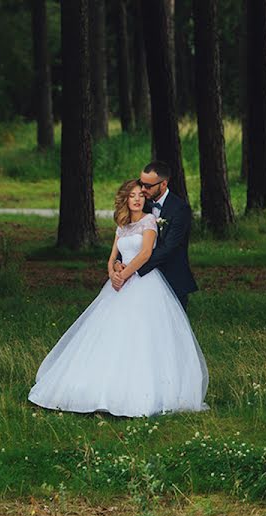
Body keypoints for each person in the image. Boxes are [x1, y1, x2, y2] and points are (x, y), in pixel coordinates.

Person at [28, 178, 208, 417]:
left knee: (140, 336)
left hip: (144, 284)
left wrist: (125, 274)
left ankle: (143, 392)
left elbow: (144, 254)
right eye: (132, 195)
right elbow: (112, 256)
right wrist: (113, 273)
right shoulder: (121, 227)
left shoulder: (149, 221)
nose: (136, 199)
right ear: (125, 199)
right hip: (119, 284)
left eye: (140, 196)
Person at [112, 161, 198, 311]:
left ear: (163, 184)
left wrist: (132, 270)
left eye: (148, 186)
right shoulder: (140, 203)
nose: (143, 189)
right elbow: (127, 234)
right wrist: (118, 263)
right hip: (134, 277)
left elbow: (168, 247)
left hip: (171, 276)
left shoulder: (180, 209)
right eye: (141, 183)